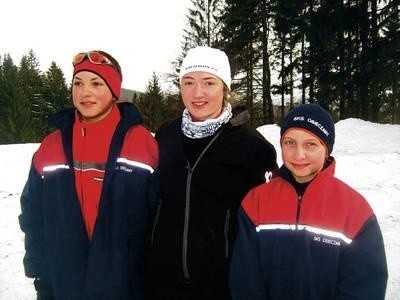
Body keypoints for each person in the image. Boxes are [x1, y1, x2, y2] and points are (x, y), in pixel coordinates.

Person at [18, 50, 159, 300]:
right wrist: (41, 274)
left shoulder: (141, 143)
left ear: (114, 90)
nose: (85, 92)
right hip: (65, 283)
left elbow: (159, 217)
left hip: (124, 285)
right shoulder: (51, 146)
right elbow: (33, 213)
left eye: (96, 83)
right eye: (78, 83)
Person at [144, 46, 278, 299]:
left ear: (225, 88)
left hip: (222, 286)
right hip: (163, 284)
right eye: (189, 82)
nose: (197, 93)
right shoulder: (165, 136)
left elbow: (268, 227)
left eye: (209, 83)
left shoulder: (254, 147)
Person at [230, 103, 388, 299]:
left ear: (327, 149)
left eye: (310, 144)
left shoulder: (355, 210)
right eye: (290, 143)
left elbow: (365, 285)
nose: (298, 155)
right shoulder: (256, 202)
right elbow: (245, 279)